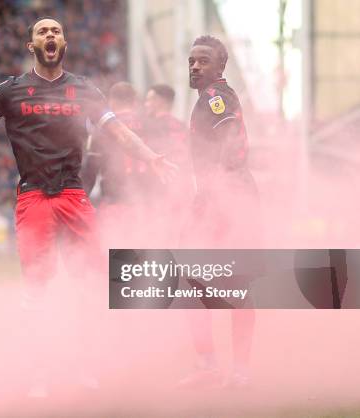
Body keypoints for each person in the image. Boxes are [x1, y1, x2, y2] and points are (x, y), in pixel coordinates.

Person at [0, 17, 176, 396]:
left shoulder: (84, 90)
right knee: (37, 290)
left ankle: (82, 366)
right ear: (32, 45)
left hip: (73, 194)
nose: (50, 35)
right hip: (33, 196)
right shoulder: (11, 91)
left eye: (56, 31)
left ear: (64, 42)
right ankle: (39, 373)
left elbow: (117, 131)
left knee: (89, 284)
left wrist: (151, 157)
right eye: (42, 32)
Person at [179, 35, 260, 388]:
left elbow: (229, 141)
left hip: (229, 201)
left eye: (203, 61)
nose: (195, 66)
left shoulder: (215, 97)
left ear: (220, 67)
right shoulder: (210, 97)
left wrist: (212, 192)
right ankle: (218, 367)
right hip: (224, 199)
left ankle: (228, 369)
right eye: (191, 61)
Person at [81, 81, 146, 247]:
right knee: (147, 257)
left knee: (117, 258)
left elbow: (90, 170)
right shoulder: (152, 125)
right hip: (149, 203)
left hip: (116, 202)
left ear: (111, 101)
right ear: (134, 101)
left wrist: (81, 200)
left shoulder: (103, 129)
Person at [143, 84, 190, 246]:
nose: (146, 104)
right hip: (179, 193)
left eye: (149, 100)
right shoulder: (182, 126)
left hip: (154, 193)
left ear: (159, 102)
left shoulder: (148, 127)